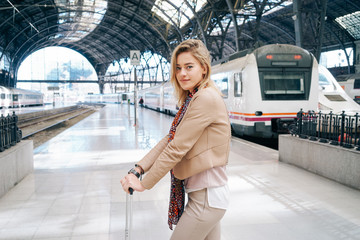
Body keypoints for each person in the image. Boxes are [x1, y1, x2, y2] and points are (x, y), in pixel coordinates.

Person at [120, 39, 231, 239]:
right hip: (207, 196)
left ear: (204, 69)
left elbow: (177, 148)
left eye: (189, 67)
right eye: (178, 68)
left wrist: (144, 184)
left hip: (206, 198)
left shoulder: (205, 98)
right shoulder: (193, 98)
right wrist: (139, 168)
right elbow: (169, 140)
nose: (182, 73)